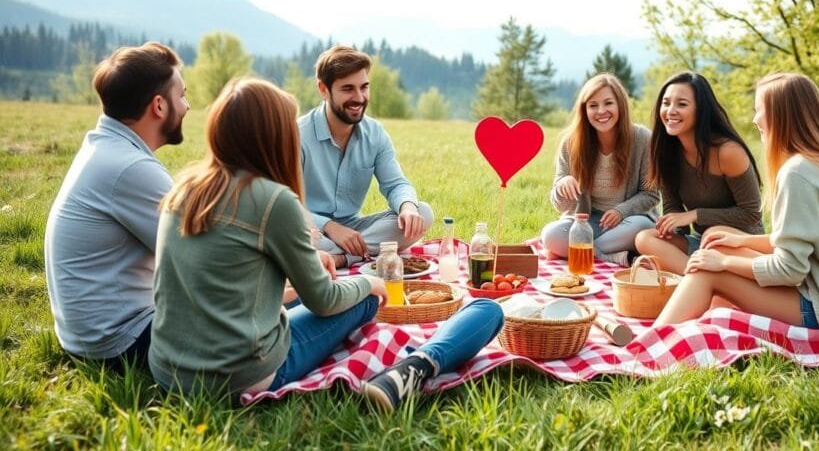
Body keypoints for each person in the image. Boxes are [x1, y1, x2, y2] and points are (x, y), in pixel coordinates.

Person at [149, 78, 504, 410]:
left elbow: (227, 284)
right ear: (273, 136)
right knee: (479, 310)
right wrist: (369, 282)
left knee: (333, 285)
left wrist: (305, 266)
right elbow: (325, 300)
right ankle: (416, 366)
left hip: (168, 371)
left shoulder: (183, 189)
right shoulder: (273, 200)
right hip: (239, 375)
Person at [654, 73, 819, 329]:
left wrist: (724, 263)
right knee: (716, 248)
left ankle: (647, 349)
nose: (754, 119)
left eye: (759, 110)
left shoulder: (799, 172)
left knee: (706, 270)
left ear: (780, 116)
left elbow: (790, 270)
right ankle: (705, 317)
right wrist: (742, 241)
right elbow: (814, 241)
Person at [43, 42, 190, 370]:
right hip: (121, 343)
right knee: (292, 315)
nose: (188, 105)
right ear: (159, 106)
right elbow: (201, 257)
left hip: (95, 336)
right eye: (182, 95)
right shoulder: (128, 166)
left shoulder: (107, 149)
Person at [299, 45, 434, 266]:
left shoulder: (376, 134)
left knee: (423, 212)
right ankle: (347, 255)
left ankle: (338, 259)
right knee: (285, 232)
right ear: (323, 89)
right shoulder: (298, 135)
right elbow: (284, 201)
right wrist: (329, 227)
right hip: (311, 230)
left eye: (364, 87)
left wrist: (407, 208)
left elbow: (396, 184)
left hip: (355, 231)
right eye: (348, 89)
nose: (359, 97)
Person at [635, 71, 763, 274]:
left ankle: (704, 281)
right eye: (666, 103)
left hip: (740, 247)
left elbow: (751, 214)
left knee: (715, 233)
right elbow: (673, 210)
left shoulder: (728, 152)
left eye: (682, 104)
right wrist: (672, 231)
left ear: (701, 110)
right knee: (644, 238)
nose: (671, 111)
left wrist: (694, 215)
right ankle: (695, 279)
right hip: (704, 245)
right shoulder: (666, 152)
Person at [540, 73, 659, 265]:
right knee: (551, 236)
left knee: (643, 227)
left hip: (627, 222)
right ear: (584, 110)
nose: (601, 111)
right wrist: (562, 186)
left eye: (608, 103)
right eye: (593, 105)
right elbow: (561, 206)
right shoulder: (571, 143)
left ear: (620, 104)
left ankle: (575, 252)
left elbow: (651, 195)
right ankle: (615, 256)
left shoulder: (642, 139)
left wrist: (621, 211)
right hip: (588, 222)